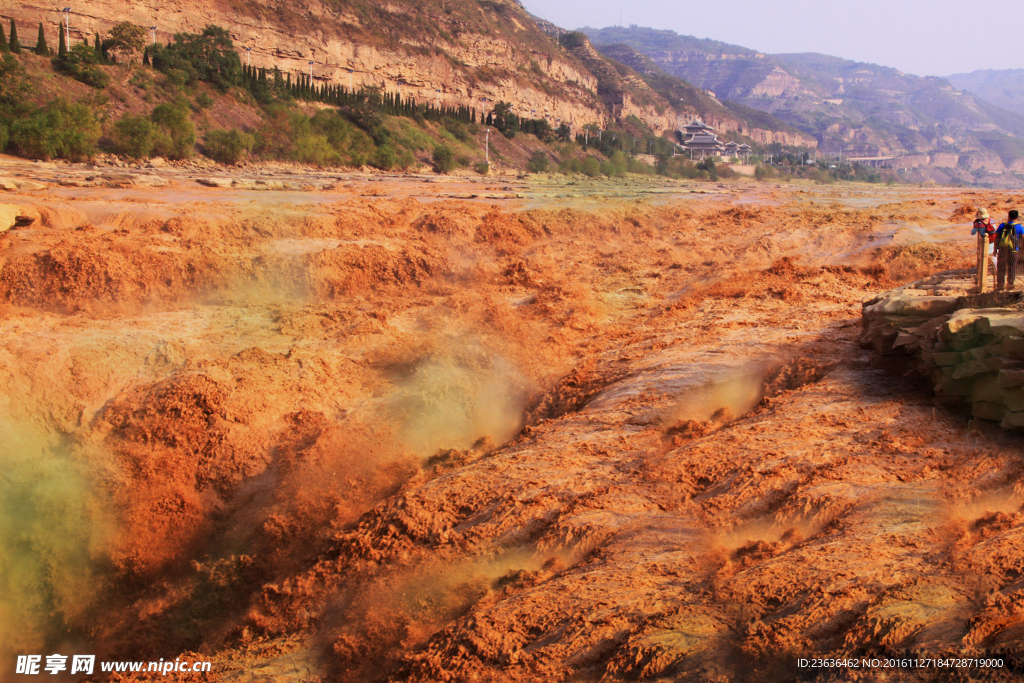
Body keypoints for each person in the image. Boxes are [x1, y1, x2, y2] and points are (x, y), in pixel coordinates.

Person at [995, 210, 1023, 291]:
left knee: (1001, 267)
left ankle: (1000, 285)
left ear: (1008, 216)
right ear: (1017, 217)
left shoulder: (1002, 225)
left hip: (1003, 249)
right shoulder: (1019, 227)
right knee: (1012, 267)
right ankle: (1010, 285)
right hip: (1014, 250)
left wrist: (995, 249)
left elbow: (997, 238)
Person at [972, 208, 996, 289]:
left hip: (984, 243)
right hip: (992, 241)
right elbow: (995, 230)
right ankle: (997, 272)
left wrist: (975, 226)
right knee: (994, 258)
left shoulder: (978, 224)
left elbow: (972, 233)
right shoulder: (991, 221)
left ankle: (983, 279)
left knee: (983, 260)